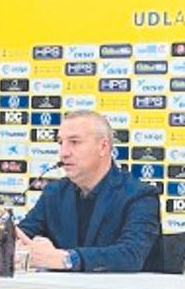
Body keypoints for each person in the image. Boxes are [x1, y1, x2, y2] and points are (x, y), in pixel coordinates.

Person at [16, 111, 160, 272]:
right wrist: (16, 248)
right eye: (60, 143)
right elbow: (24, 236)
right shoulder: (54, 193)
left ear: (103, 147)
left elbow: (131, 255)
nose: (64, 153)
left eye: (74, 142)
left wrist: (66, 259)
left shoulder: (139, 196)